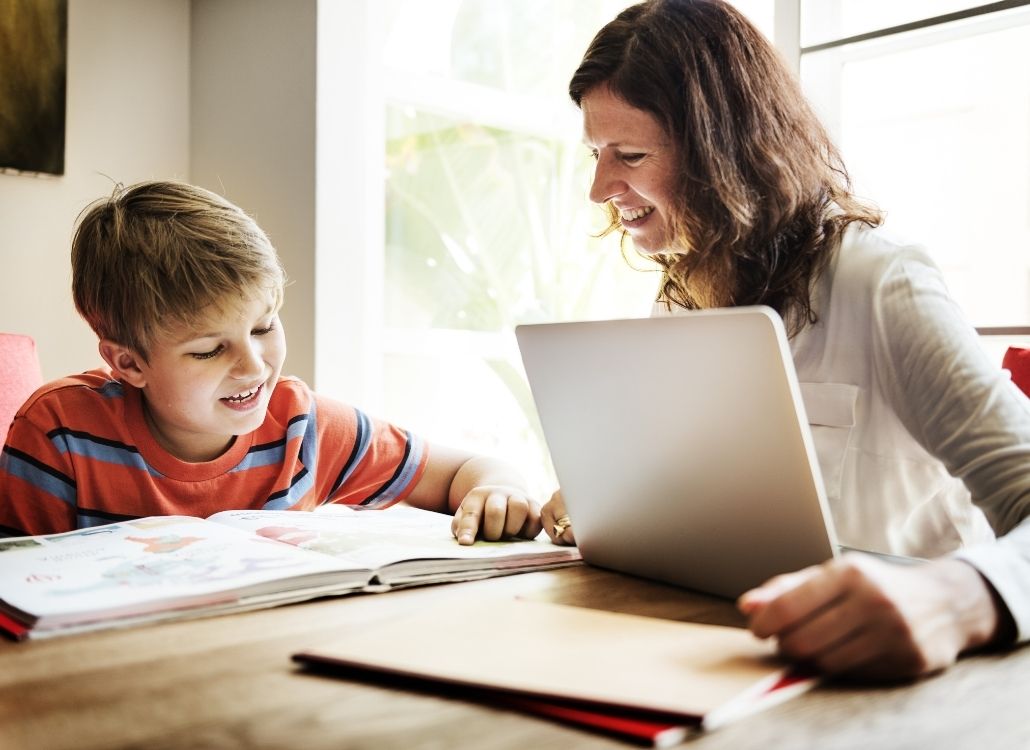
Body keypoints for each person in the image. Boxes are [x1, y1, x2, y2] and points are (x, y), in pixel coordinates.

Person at [541, 0, 1030, 680]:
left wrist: (960, 597)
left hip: (906, 686)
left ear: (724, 151)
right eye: (596, 154)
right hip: (731, 658)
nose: (600, 188)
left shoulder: (881, 281)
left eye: (629, 154)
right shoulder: (682, 296)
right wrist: (607, 505)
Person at [0, 180, 541, 547]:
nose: (254, 366)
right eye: (210, 349)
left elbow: (466, 472)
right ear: (129, 363)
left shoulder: (303, 428)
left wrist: (499, 490)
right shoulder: (59, 434)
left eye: (263, 327)